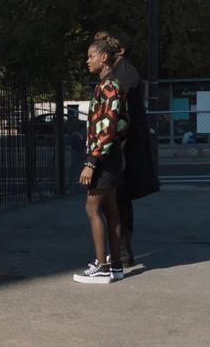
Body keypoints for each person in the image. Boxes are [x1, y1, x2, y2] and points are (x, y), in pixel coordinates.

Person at [93, 31, 159, 267]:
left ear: (119, 51)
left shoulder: (126, 73)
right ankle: (117, 254)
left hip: (124, 148)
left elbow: (112, 111)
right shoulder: (113, 73)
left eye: (110, 45)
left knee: (117, 199)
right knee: (114, 200)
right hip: (118, 145)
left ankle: (120, 253)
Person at [74, 38, 129, 284]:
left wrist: (91, 162)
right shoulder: (111, 85)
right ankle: (115, 265)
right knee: (111, 209)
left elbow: (106, 127)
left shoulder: (108, 86)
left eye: (91, 56)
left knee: (92, 208)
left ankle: (102, 266)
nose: (88, 61)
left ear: (103, 58)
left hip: (103, 157)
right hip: (112, 154)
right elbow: (122, 124)